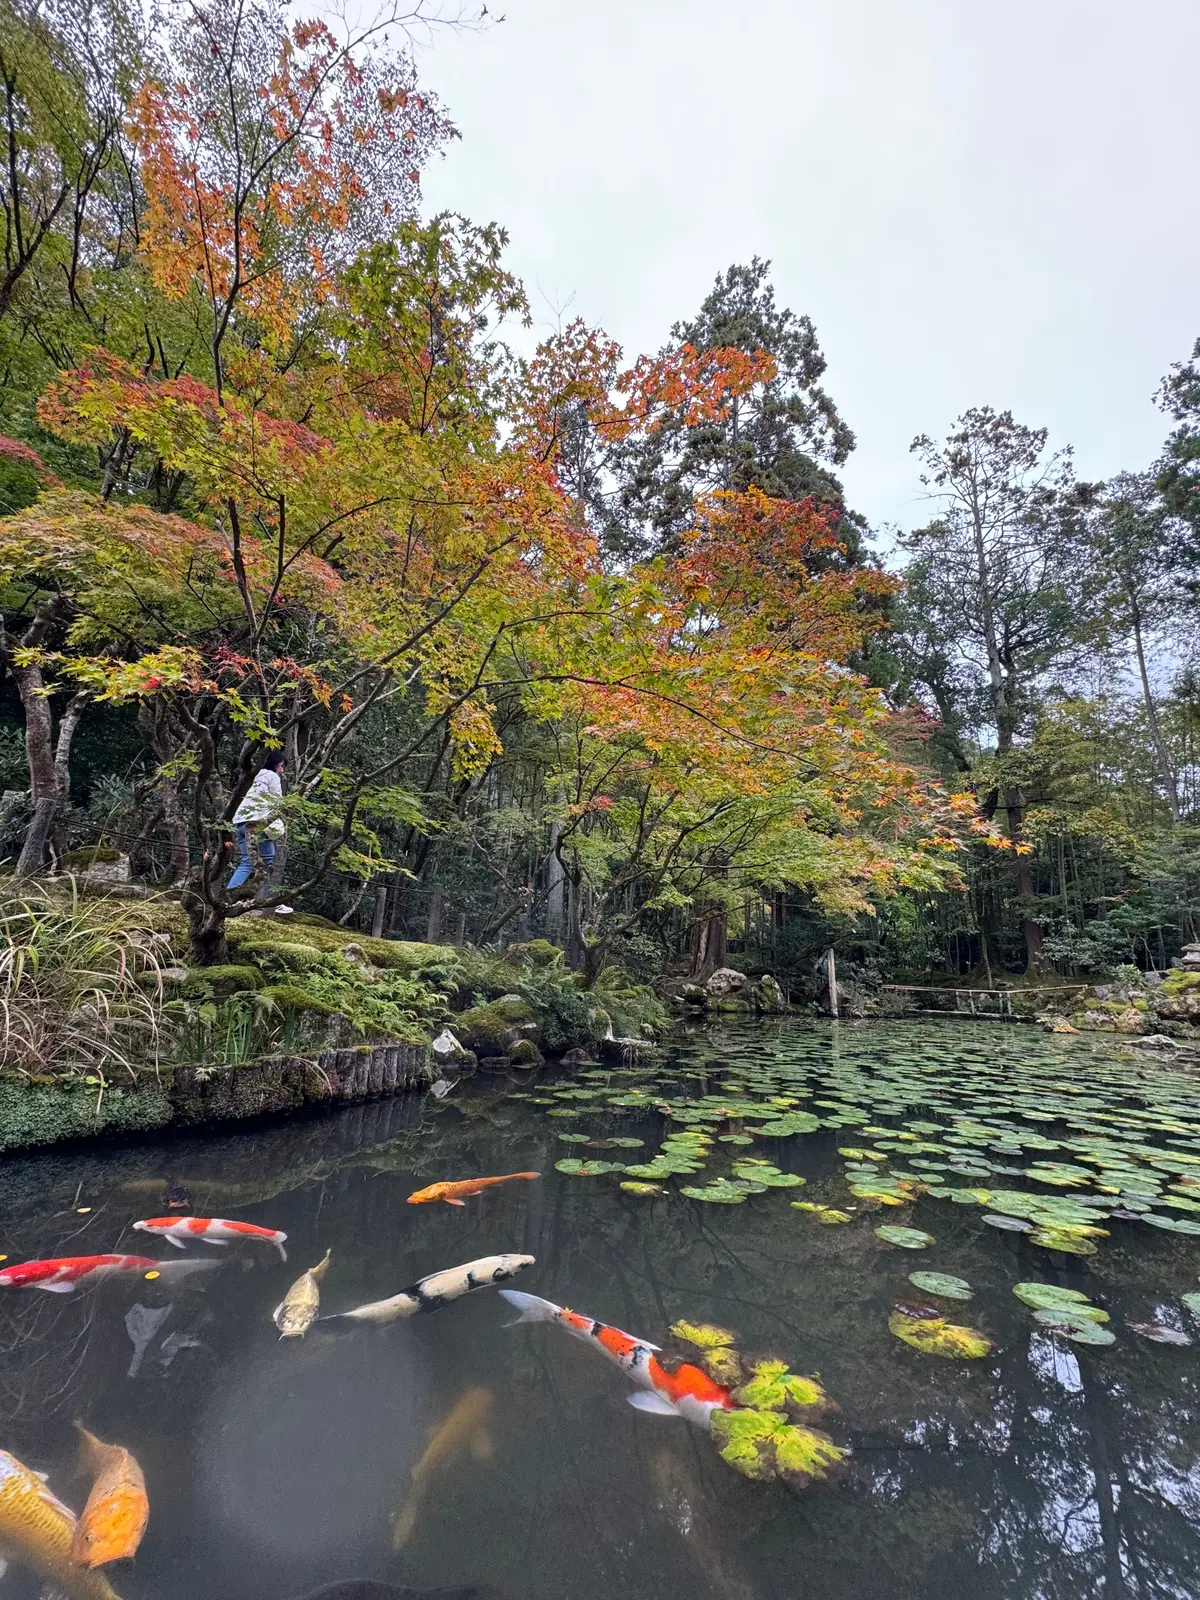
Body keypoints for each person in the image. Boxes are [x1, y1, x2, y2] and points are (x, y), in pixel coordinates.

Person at [227, 752, 293, 912]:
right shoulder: (272, 776)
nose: (282, 770)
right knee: (268, 861)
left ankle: (228, 898)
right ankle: (271, 901)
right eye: (281, 766)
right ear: (275, 764)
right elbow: (277, 802)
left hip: (241, 821)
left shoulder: (254, 775)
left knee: (246, 862)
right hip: (258, 823)